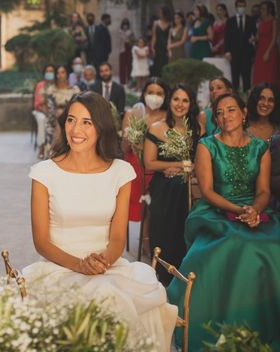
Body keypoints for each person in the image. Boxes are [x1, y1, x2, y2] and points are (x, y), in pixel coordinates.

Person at [22, 91, 177, 352]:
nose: (76, 129)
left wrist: (100, 262)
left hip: (108, 266)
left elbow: (117, 239)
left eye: (86, 122)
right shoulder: (44, 173)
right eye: (71, 120)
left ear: (101, 127)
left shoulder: (121, 172)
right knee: (105, 299)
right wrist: (79, 265)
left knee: (121, 297)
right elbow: (41, 241)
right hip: (59, 267)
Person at [168, 92, 280, 350]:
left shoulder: (261, 147)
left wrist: (254, 210)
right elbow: (207, 191)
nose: (224, 116)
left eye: (230, 110)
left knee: (274, 244)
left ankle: (264, 326)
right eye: (219, 112)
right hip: (216, 211)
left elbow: (264, 191)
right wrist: (239, 210)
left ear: (243, 113)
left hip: (256, 211)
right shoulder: (207, 145)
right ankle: (222, 324)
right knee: (237, 242)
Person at [144, 84, 201, 284]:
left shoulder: (197, 129)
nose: (180, 104)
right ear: (169, 101)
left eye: (185, 100)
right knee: (173, 188)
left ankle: (186, 271)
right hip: (164, 187)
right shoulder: (157, 128)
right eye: (176, 99)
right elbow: (149, 162)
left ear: (191, 104)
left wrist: (188, 169)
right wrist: (178, 164)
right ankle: (162, 272)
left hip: (190, 188)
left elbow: (201, 161)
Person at [120, 78, 168, 254]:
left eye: (159, 93)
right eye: (151, 92)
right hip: (135, 165)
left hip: (157, 165)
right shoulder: (133, 114)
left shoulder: (167, 117)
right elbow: (124, 148)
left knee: (156, 197)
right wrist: (131, 137)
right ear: (144, 94)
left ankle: (148, 237)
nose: (154, 97)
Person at [42, 65, 79, 158]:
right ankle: (53, 156)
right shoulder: (51, 90)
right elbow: (50, 108)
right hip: (54, 119)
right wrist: (58, 120)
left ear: (67, 74)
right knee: (52, 127)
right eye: (58, 73)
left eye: (62, 72)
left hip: (71, 119)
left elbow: (78, 107)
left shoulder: (74, 90)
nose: (60, 75)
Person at [225, 0, 257, 93]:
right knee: (235, 78)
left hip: (247, 53)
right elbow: (227, 37)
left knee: (246, 78)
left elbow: (255, 34)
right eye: (239, 6)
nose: (241, 8)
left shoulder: (250, 20)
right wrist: (227, 52)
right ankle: (236, 98)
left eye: (243, 6)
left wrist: (253, 40)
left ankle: (247, 98)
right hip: (234, 54)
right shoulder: (230, 21)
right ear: (236, 7)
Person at [252, 1, 278, 85]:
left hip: (270, 50)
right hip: (260, 50)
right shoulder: (261, 22)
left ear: (269, 10)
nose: (261, 11)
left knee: (270, 74)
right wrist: (252, 39)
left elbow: (274, 38)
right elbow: (257, 37)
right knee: (260, 74)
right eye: (261, 9)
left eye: (263, 9)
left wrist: (268, 52)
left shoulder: (274, 21)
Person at [32, 64, 55, 158]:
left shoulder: (56, 85)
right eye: (47, 71)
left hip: (53, 110)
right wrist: (46, 112)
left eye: (51, 71)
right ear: (44, 73)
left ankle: (54, 147)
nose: (49, 73)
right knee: (42, 119)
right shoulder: (40, 85)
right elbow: (37, 104)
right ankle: (41, 147)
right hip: (40, 110)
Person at [151, 6, 172, 77]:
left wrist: (169, 49)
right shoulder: (156, 23)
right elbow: (154, 36)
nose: (159, 14)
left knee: (165, 63)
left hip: (166, 46)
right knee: (157, 63)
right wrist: (152, 47)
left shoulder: (170, 24)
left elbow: (170, 37)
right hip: (158, 46)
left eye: (161, 12)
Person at [118, 18, 134, 85]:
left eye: (126, 24)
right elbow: (120, 40)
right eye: (124, 24)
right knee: (122, 65)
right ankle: (122, 81)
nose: (125, 26)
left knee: (129, 65)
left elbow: (132, 40)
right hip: (122, 49)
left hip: (129, 48)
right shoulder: (120, 31)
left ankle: (129, 79)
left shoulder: (131, 32)